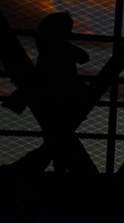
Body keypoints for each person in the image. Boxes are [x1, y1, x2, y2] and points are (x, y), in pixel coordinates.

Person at [25, 11, 90, 172]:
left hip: (49, 101)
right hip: (61, 101)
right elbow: (84, 57)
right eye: (67, 30)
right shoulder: (60, 47)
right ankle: (21, 169)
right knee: (58, 141)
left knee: (56, 142)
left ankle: (49, 172)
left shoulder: (45, 50)